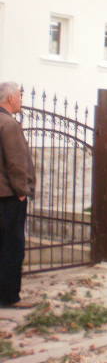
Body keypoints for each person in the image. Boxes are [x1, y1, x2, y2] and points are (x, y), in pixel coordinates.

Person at [0, 82, 36, 308]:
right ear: (11, 98)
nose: (21, 100)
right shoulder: (9, 124)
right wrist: (22, 191)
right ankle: (10, 297)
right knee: (12, 246)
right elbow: (16, 162)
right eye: (20, 96)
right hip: (9, 197)